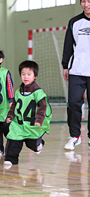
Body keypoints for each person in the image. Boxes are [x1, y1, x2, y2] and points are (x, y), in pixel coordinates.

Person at [4, 60, 52, 168]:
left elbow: (43, 106)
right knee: (13, 139)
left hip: (32, 125)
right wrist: (10, 116)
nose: (26, 77)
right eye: (23, 74)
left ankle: (38, 144)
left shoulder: (38, 92)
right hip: (20, 124)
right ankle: (10, 159)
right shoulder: (18, 92)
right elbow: (14, 106)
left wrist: (39, 119)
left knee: (31, 143)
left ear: (35, 76)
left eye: (29, 74)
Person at [62, 0, 90, 151]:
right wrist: (65, 65)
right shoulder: (74, 22)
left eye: (89, 1)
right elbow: (68, 45)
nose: (86, 4)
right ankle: (75, 136)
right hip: (77, 71)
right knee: (73, 104)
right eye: (83, 1)